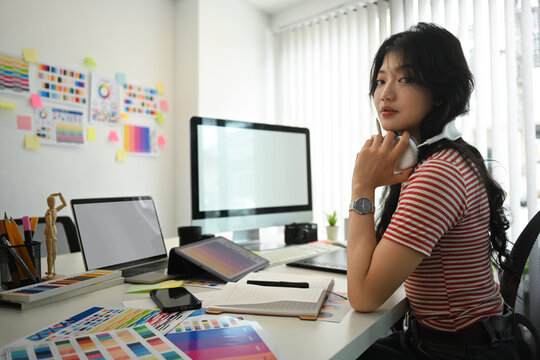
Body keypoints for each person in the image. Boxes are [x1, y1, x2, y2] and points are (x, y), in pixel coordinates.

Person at [348, 23, 518, 359]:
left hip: (460, 351)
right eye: (381, 80)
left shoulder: (439, 173)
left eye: (405, 78)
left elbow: (364, 296)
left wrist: (362, 185)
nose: (386, 93)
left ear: (440, 90)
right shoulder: (446, 156)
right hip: (452, 341)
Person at [44, 192, 66, 279]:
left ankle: (51, 270)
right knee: (50, 253)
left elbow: (64, 204)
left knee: (55, 253)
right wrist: (52, 236)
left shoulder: (55, 210)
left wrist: (59, 195)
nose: (53, 203)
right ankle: (49, 272)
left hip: (54, 231)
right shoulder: (48, 212)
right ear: (48, 203)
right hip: (49, 233)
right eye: (51, 202)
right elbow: (49, 224)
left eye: (54, 202)